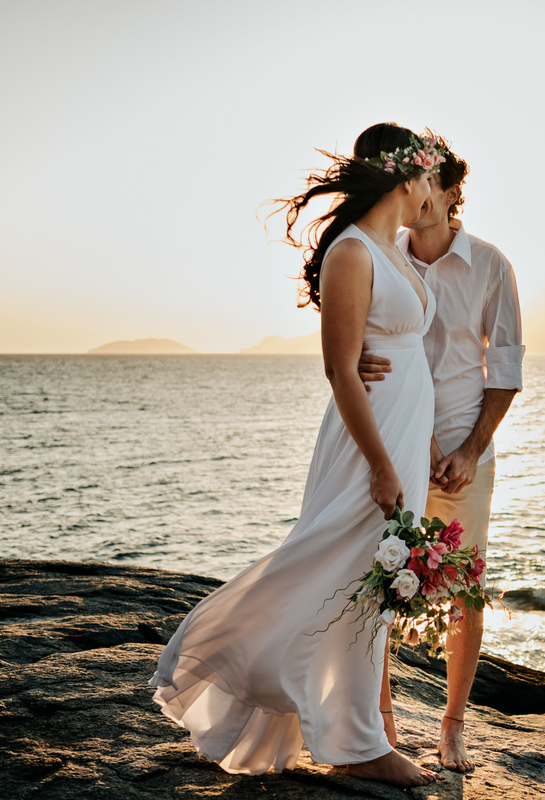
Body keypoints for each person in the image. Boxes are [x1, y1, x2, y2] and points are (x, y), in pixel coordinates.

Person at [149, 123, 446, 789]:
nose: (434, 191)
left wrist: (417, 444)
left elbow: (396, 350)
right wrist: (380, 464)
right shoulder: (351, 251)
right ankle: (333, 727)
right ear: (407, 177)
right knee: (335, 566)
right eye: (429, 176)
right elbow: (341, 370)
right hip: (368, 443)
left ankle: (354, 732)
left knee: (370, 586)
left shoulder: (395, 250)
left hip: (400, 435)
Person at [359, 135, 524, 773]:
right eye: (417, 179)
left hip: (464, 449)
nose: (422, 194)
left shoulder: (490, 265)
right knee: (379, 582)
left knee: (465, 588)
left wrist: (469, 449)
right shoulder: (384, 255)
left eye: (435, 182)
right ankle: (383, 720)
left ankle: (453, 725)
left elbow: (505, 368)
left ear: (454, 194)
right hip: (397, 438)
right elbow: (366, 336)